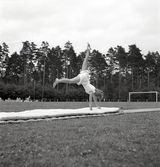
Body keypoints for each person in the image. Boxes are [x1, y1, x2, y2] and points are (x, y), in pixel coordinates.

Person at [53, 43, 104, 110]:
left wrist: (98, 106)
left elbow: (94, 100)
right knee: (70, 81)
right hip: (84, 78)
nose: (96, 98)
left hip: (85, 75)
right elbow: (90, 101)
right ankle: (58, 81)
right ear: (97, 95)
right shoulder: (92, 91)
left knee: (86, 59)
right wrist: (90, 108)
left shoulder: (94, 90)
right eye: (97, 97)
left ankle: (88, 49)